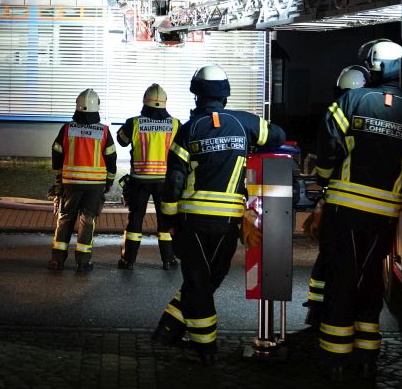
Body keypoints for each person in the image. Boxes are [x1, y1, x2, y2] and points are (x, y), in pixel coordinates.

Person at [315, 38, 402, 381]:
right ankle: (368, 355)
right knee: (370, 279)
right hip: (385, 213)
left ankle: (336, 359)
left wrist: (324, 178)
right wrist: (401, 192)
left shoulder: (350, 100)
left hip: (344, 209)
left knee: (341, 277)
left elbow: (327, 146)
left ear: (374, 67)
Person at [152, 65, 286, 365]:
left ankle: (199, 345)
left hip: (193, 220)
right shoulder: (244, 123)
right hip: (228, 222)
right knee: (208, 279)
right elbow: (278, 135)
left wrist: (169, 221)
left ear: (196, 94)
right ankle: (174, 331)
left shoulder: (188, 130)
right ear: (225, 94)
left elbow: (173, 183)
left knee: (198, 281)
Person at [303, 63, 371, 326]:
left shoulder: (338, 113)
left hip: (340, 201)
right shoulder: (375, 114)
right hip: (375, 204)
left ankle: (318, 309)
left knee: (330, 255)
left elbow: (326, 155)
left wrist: (322, 184)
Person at [49, 89, 117, 272]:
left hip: (70, 183)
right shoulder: (104, 131)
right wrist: (109, 181)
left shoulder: (67, 128)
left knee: (65, 218)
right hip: (94, 186)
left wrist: (59, 177)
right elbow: (111, 158)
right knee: (87, 221)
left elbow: (56, 151)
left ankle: (57, 260)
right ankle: (83, 262)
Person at [114, 84, 181, 271]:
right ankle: (168, 260)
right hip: (166, 182)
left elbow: (121, 141)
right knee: (165, 219)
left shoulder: (133, 123)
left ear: (145, 101)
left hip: (139, 180)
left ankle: (128, 260)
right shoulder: (176, 124)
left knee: (136, 218)